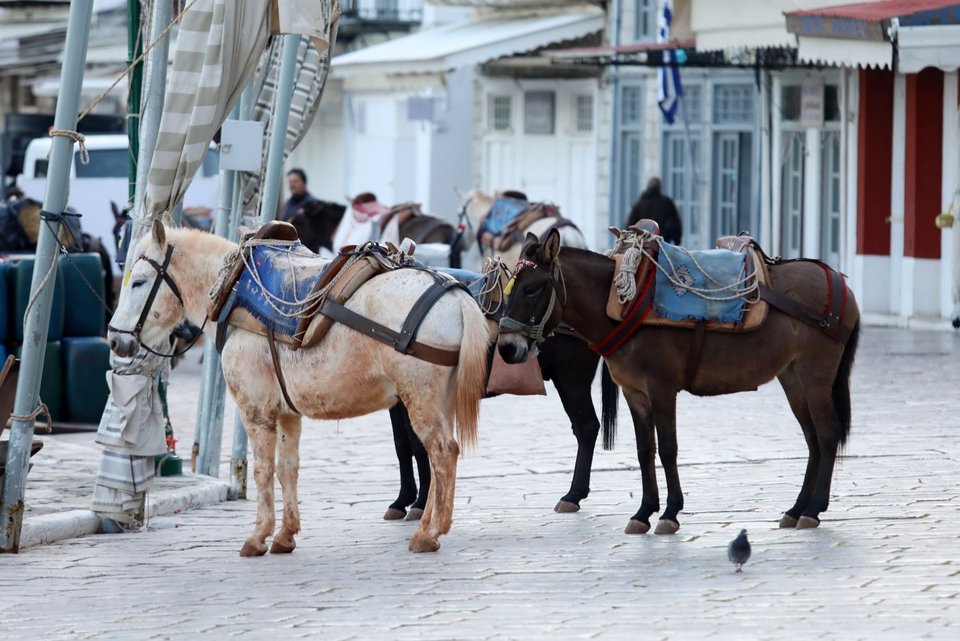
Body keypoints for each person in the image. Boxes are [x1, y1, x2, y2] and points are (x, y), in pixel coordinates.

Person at [626, 177, 683, 245]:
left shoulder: (639, 205)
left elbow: (630, 226)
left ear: (648, 187)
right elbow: (676, 224)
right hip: (662, 243)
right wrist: (677, 241)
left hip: (643, 244)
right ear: (660, 187)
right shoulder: (667, 203)